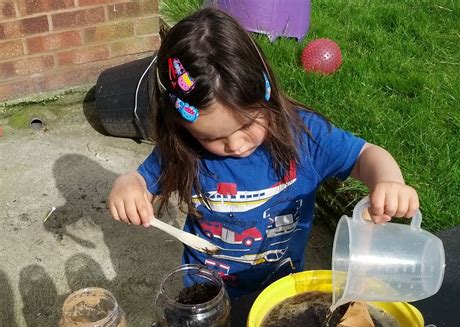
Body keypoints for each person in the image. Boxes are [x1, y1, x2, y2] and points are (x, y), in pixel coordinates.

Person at [108, 7, 419, 298]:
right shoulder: (184, 148)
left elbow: (365, 155)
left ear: (266, 92)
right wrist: (129, 184)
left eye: (248, 125)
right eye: (213, 138)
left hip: (283, 287)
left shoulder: (304, 136)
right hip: (208, 291)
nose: (236, 144)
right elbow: (141, 183)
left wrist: (389, 180)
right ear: (185, 128)